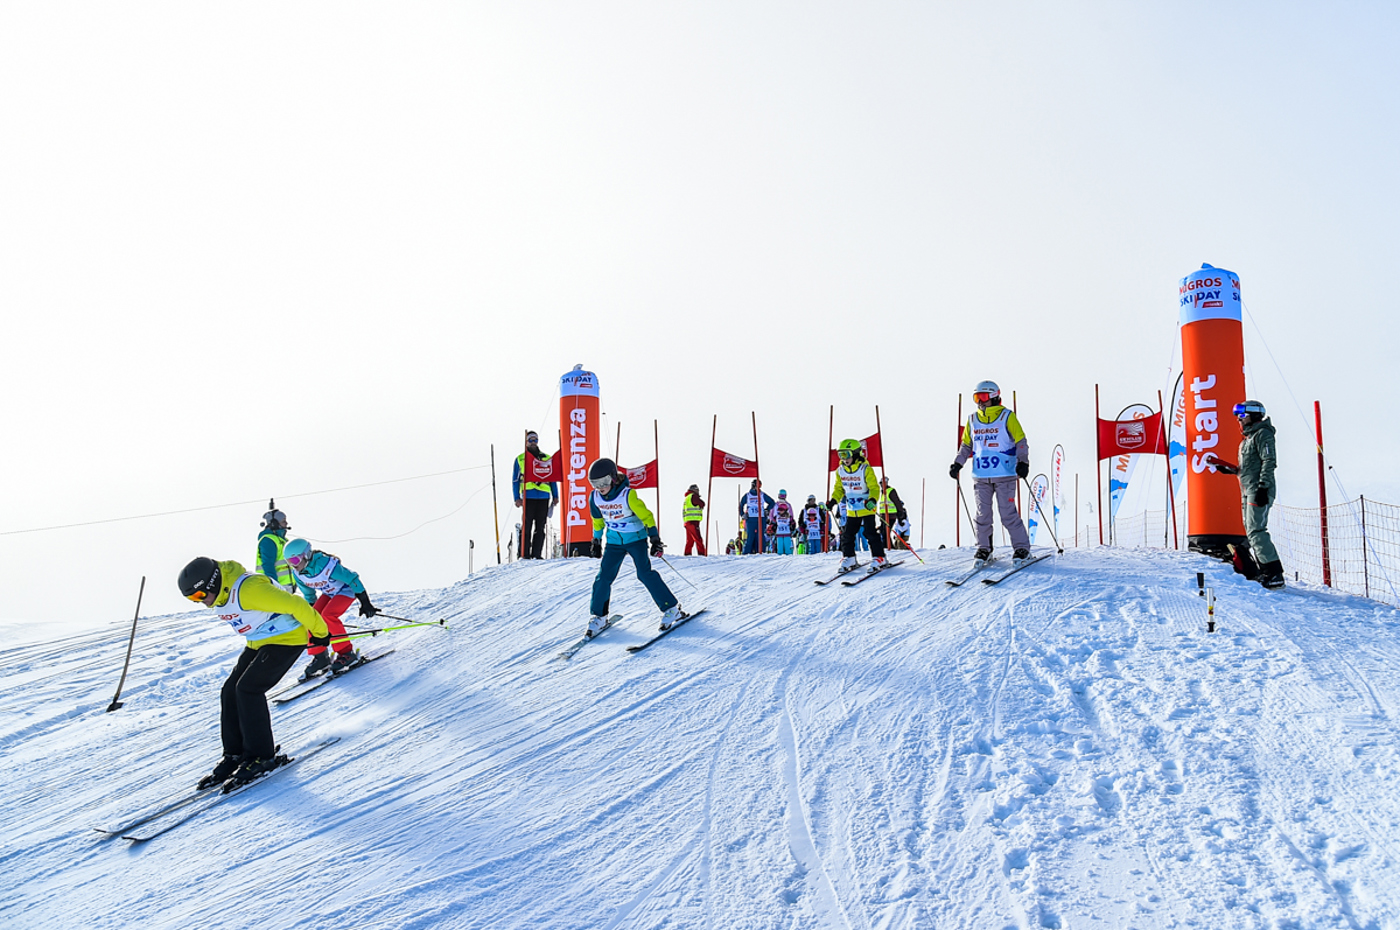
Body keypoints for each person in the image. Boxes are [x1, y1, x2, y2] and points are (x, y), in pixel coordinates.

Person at [179, 557, 330, 790]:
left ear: (213, 583)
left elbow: (296, 605)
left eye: (199, 596)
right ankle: (235, 754)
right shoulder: (221, 595)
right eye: (192, 599)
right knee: (230, 691)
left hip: (287, 639)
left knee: (248, 689)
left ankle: (262, 756)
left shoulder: (249, 589)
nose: (200, 602)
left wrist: (320, 632)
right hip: (259, 642)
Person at [585, 458, 683, 634]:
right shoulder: (595, 498)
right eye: (595, 483)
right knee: (603, 577)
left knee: (644, 574)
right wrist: (597, 541)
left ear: (613, 478)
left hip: (636, 540)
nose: (600, 487)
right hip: (614, 543)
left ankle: (671, 609)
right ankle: (599, 617)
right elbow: (598, 521)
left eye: (604, 482)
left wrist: (654, 539)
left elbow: (647, 516)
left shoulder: (627, 495)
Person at [949, 380, 1032, 565]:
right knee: (982, 515)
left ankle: (1022, 548)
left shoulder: (1007, 417)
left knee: (1007, 514)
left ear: (994, 397)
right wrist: (957, 464)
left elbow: (1021, 441)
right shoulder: (972, 419)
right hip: (981, 476)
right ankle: (984, 549)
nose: (980, 401)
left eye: (983, 397)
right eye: (976, 397)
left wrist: (1023, 462)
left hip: (1004, 474)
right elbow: (966, 445)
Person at [1212, 400, 1285, 589]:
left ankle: (1274, 574)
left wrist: (1263, 487)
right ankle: (1265, 571)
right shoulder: (1247, 440)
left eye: (1242, 416)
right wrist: (1230, 470)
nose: (1239, 420)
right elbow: (1248, 468)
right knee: (1252, 531)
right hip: (1247, 489)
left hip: (1258, 490)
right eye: (1238, 416)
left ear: (1254, 416)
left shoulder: (1263, 435)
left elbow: (1269, 461)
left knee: (1256, 531)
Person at [283, 538, 380, 678]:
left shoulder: (324, 564)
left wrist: (365, 602)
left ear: (306, 555)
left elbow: (352, 579)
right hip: (330, 592)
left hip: (346, 590)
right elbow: (309, 595)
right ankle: (320, 657)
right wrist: (312, 612)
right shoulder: (298, 574)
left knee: (328, 616)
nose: (293, 566)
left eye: (295, 561)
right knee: (311, 616)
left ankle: (346, 653)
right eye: (289, 562)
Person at [828, 439, 888, 573]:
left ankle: (879, 557)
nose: (843, 459)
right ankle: (849, 557)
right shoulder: (840, 471)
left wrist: (873, 499)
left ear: (855, 454)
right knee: (847, 534)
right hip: (852, 509)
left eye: (846, 455)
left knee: (870, 533)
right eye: (840, 455)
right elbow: (839, 489)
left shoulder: (865, 469)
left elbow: (874, 487)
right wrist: (833, 501)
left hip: (866, 508)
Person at [254, 501, 313, 604]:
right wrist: (274, 586)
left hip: (287, 587)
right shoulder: (268, 540)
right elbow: (268, 565)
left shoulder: (283, 541)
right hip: (276, 588)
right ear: (274, 523)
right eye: (283, 521)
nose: (286, 523)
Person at [513, 431, 559, 560]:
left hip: (544, 496)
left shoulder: (546, 458)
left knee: (541, 525)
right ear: (526, 442)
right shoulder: (520, 459)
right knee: (527, 524)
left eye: (535, 440)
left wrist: (555, 495)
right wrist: (516, 497)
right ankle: (524, 553)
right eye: (530, 440)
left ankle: (537, 554)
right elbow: (515, 480)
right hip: (529, 496)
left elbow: (552, 478)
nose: (533, 443)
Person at [738, 479, 775, 554]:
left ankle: (761, 552)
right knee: (750, 537)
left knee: (760, 536)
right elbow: (741, 505)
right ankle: (747, 553)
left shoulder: (762, 495)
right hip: (751, 519)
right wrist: (742, 514)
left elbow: (772, 502)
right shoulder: (748, 495)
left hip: (760, 518)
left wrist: (767, 510)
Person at [877, 478, 910, 548]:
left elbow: (897, 502)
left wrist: (900, 513)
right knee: (883, 532)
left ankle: (888, 547)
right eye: (881, 483)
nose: (882, 485)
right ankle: (887, 546)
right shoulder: (883, 492)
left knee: (886, 532)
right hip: (884, 516)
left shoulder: (891, 491)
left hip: (890, 516)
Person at [767, 490, 798, 555]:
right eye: (781, 496)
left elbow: (791, 516)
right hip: (778, 529)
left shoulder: (788, 505)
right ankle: (778, 553)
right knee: (778, 545)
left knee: (786, 545)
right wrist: (773, 523)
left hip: (786, 530)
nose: (782, 497)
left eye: (783, 496)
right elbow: (771, 515)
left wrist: (792, 524)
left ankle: (787, 554)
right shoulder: (775, 505)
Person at [681, 484, 707, 555]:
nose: (698, 491)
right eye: (697, 490)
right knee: (698, 539)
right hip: (693, 522)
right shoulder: (693, 496)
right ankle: (701, 554)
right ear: (694, 490)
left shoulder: (687, 498)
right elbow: (701, 503)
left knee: (690, 540)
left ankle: (687, 554)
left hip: (687, 521)